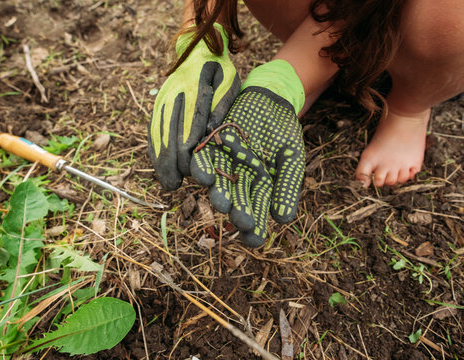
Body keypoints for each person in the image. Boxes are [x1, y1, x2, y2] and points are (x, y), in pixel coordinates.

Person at [148, 0, 464, 246]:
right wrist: (201, 34)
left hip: (419, 49)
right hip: (330, 23)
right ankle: (311, 69)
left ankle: (409, 107)